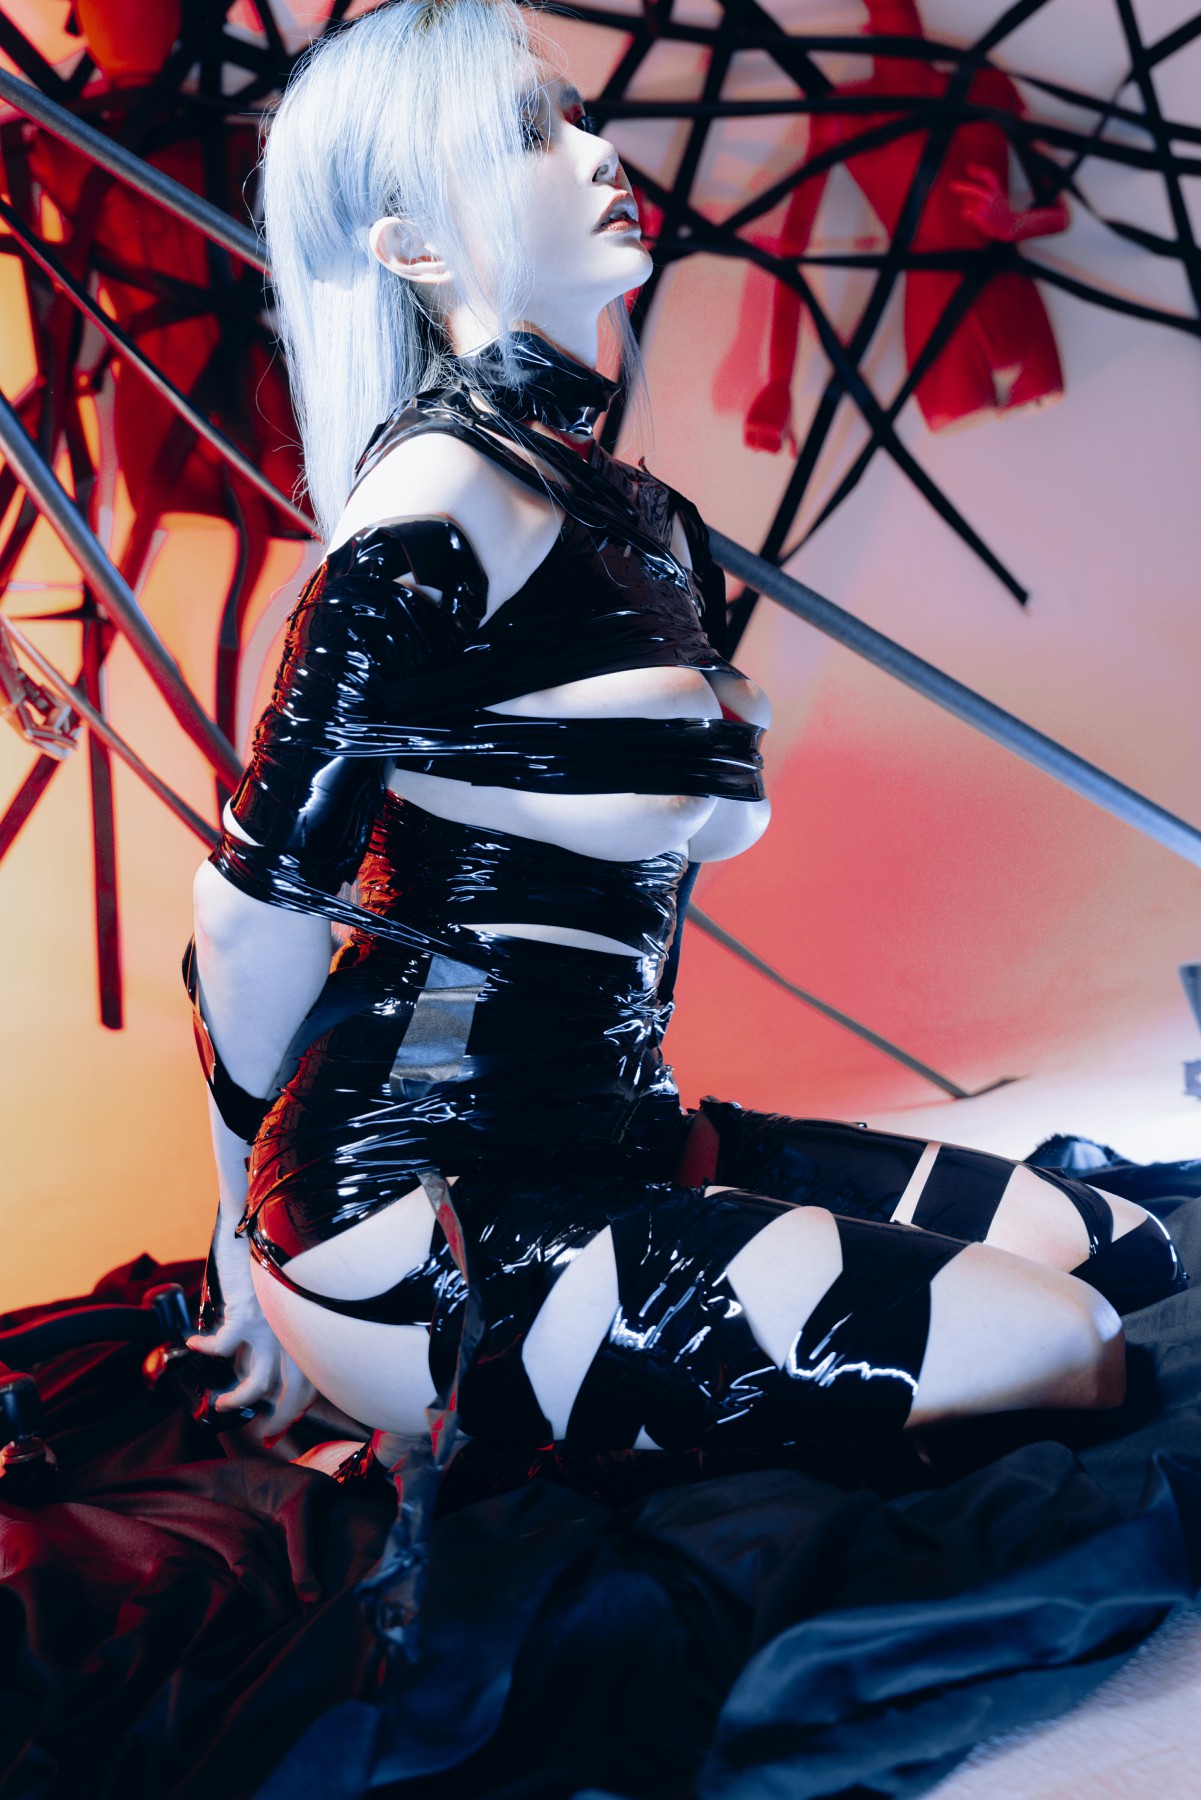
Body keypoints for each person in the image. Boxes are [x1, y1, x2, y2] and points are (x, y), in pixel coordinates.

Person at [183, 0, 1183, 1482]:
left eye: (579, 115)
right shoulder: (427, 517)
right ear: (412, 247)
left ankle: (608, 1371)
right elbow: (248, 915)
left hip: (622, 1132)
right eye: (528, 132)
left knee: (1125, 1250)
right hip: (408, 1199)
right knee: (1063, 1349)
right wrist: (234, 1247)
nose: (596, 151)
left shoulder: (646, 520)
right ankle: (463, 1405)